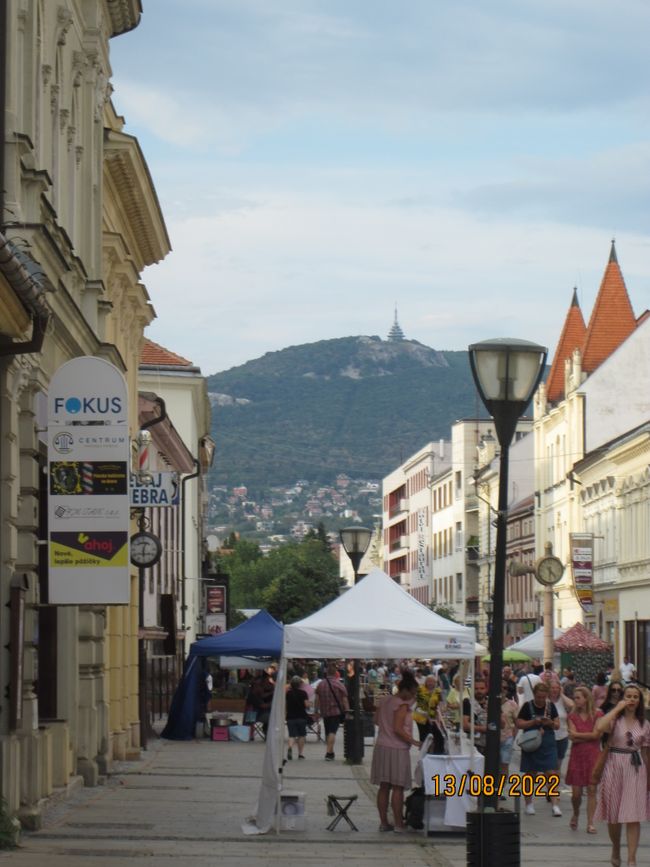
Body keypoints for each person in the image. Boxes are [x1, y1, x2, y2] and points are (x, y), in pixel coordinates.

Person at [594, 684, 650, 867]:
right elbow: (599, 727)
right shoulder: (615, 720)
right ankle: (616, 847)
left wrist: (649, 778)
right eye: (628, 696)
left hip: (635, 768)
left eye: (635, 697)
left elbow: (646, 753)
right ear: (623, 698)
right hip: (614, 766)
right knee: (614, 815)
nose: (632, 699)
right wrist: (617, 708)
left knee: (633, 816)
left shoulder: (645, 724)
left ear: (640, 701)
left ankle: (631, 859)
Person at [371, 669, 420, 833]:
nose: (413, 698)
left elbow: (376, 720)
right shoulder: (402, 705)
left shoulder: (385, 700)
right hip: (397, 748)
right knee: (398, 787)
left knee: (384, 786)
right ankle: (399, 824)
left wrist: (386, 728)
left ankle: (384, 822)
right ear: (405, 691)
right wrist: (414, 741)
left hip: (382, 746)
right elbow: (398, 729)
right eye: (413, 694)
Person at [516, 681, 562, 816]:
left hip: (547, 742)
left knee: (551, 774)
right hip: (531, 742)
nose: (541, 700)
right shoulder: (527, 706)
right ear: (534, 695)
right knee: (530, 774)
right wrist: (532, 722)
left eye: (543, 697)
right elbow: (518, 723)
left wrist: (550, 723)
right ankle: (529, 804)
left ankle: (555, 805)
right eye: (539, 697)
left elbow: (557, 725)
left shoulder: (550, 706)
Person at [566, 686, 602, 834]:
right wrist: (590, 735)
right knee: (576, 794)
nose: (576, 700)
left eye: (578, 697)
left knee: (592, 789)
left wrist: (580, 735)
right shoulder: (572, 716)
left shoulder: (598, 715)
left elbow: (597, 735)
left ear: (586, 698)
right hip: (577, 756)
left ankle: (590, 822)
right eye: (575, 697)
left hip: (593, 755)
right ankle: (575, 812)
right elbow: (572, 735)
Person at [314, 661, 350, 761]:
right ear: (335, 673)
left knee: (328, 732)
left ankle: (331, 751)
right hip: (336, 712)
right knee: (332, 732)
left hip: (325, 712)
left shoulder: (320, 684)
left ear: (326, 673)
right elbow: (344, 699)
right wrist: (347, 711)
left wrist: (316, 711)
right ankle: (329, 753)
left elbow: (317, 699)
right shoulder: (339, 684)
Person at [501, 679, 520, 798]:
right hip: (491, 738)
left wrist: (514, 736)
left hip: (507, 738)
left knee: (504, 765)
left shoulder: (512, 704)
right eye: (500, 687)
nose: (503, 690)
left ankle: (501, 790)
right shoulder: (489, 702)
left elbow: (517, 722)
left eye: (505, 688)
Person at [549, 680, 574, 772]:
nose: (554, 690)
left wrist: (562, 694)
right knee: (550, 763)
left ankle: (555, 783)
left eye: (557, 688)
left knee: (558, 764)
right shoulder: (546, 701)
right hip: (549, 736)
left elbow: (572, 705)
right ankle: (551, 784)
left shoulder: (562, 701)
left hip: (562, 736)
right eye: (552, 688)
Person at [285, 675, 310, 761]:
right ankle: (300, 754)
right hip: (301, 717)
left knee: (291, 735)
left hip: (290, 717)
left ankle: (290, 747)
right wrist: (309, 704)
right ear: (300, 684)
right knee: (301, 735)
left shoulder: (288, 693)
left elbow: (286, 705)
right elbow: (306, 705)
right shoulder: (303, 693)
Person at [462, 678, 489, 756]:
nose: (479, 691)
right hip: (474, 744)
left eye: (482, 688)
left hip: (492, 743)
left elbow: (503, 724)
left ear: (486, 689)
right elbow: (465, 725)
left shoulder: (492, 701)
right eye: (476, 689)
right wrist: (482, 729)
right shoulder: (468, 702)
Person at [413, 675, 442, 743]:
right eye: (429, 681)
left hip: (432, 717)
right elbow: (414, 700)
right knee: (423, 736)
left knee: (432, 736)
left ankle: (430, 751)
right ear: (426, 682)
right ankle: (423, 750)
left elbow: (440, 703)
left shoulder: (438, 691)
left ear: (435, 682)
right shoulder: (420, 689)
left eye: (432, 681)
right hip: (420, 716)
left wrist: (439, 714)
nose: (430, 683)